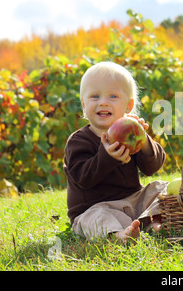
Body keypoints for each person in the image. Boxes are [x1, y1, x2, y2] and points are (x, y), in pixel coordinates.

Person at [63, 61, 167, 242]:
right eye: (95, 96)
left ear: (128, 106)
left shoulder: (130, 133)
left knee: (162, 189)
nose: (103, 102)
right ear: (83, 105)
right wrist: (106, 156)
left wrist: (143, 142)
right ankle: (119, 235)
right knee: (96, 219)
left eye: (113, 96)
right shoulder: (78, 141)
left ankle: (152, 222)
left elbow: (152, 167)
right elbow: (83, 179)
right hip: (95, 207)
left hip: (134, 200)